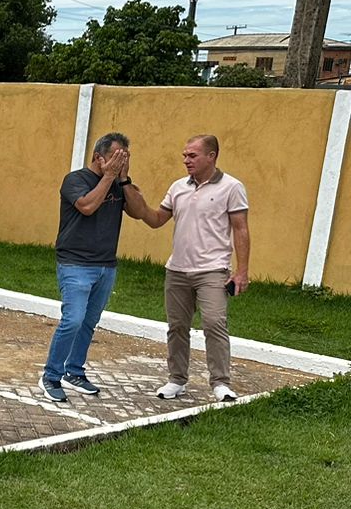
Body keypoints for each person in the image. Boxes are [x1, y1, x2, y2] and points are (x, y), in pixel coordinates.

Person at [136, 134, 250, 403]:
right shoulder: (178, 187)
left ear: (211, 156)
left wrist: (242, 272)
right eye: (185, 155)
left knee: (214, 323)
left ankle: (221, 384)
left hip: (213, 270)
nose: (186, 160)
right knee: (177, 326)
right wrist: (135, 199)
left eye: (192, 155)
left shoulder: (232, 187)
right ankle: (177, 380)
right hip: (177, 270)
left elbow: (241, 229)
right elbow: (156, 219)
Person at [41, 132, 145, 403]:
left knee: (89, 322)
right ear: (98, 157)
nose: (120, 162)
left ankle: (74, 371)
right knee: (73, 320)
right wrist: (109, 177)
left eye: (125, 157)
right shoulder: (75, 180)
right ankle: (51, 375)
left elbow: (138, 212)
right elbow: (86, 206)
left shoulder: (120, 184)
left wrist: (124, 179)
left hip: (105, 265)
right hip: (75, 263)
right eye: (115, 157)